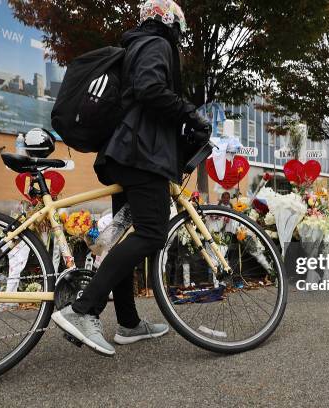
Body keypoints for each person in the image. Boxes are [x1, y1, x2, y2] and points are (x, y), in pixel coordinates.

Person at [52, 0, 211, 356]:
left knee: (125, 236)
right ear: (169, 21)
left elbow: (142, 94)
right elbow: (150, 89)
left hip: (122, 154)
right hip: (143, 155)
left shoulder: (133, 44)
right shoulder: (157, 43)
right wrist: (190, 114)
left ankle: (127, 322)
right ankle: (83, 310)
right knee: (153, 233)